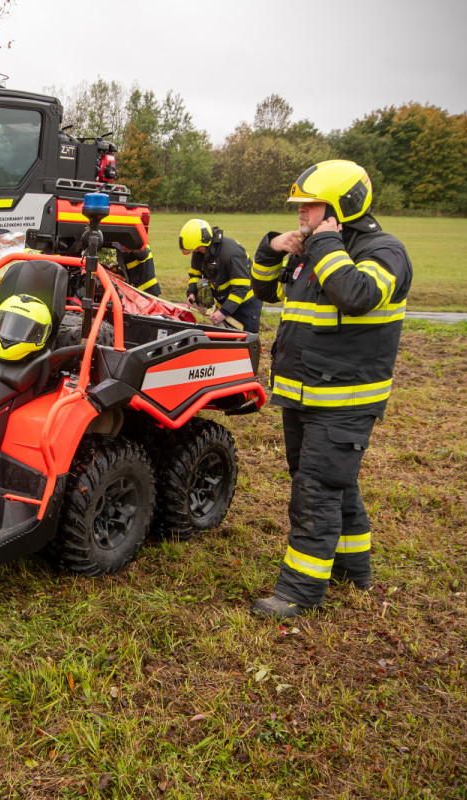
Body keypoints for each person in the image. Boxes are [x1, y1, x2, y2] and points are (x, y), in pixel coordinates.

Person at [248, 160, 413, 620]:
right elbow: (266, 293)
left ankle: (299, 592)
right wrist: (270, 250)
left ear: (342, 205)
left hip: (345, 401)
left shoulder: (385, 251)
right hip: (304, 393)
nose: (300, 215)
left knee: (315, 492)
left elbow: (356, 294)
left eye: (309, 206)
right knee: (332, 483)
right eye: (298, 207)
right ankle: (353, 569)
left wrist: (324, 244)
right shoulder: (316, 247)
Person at [179, 218, 262, 332]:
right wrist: (191, 292)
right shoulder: (200, 251)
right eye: (195, 249)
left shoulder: (231, 253)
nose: (197, 251)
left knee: (243, 344)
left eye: (198, 248)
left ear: (206, 241)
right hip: (225, 302)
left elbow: (241, 287)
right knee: (223, 342)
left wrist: (224, 312)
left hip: (246, 306)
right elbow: (195, 274)